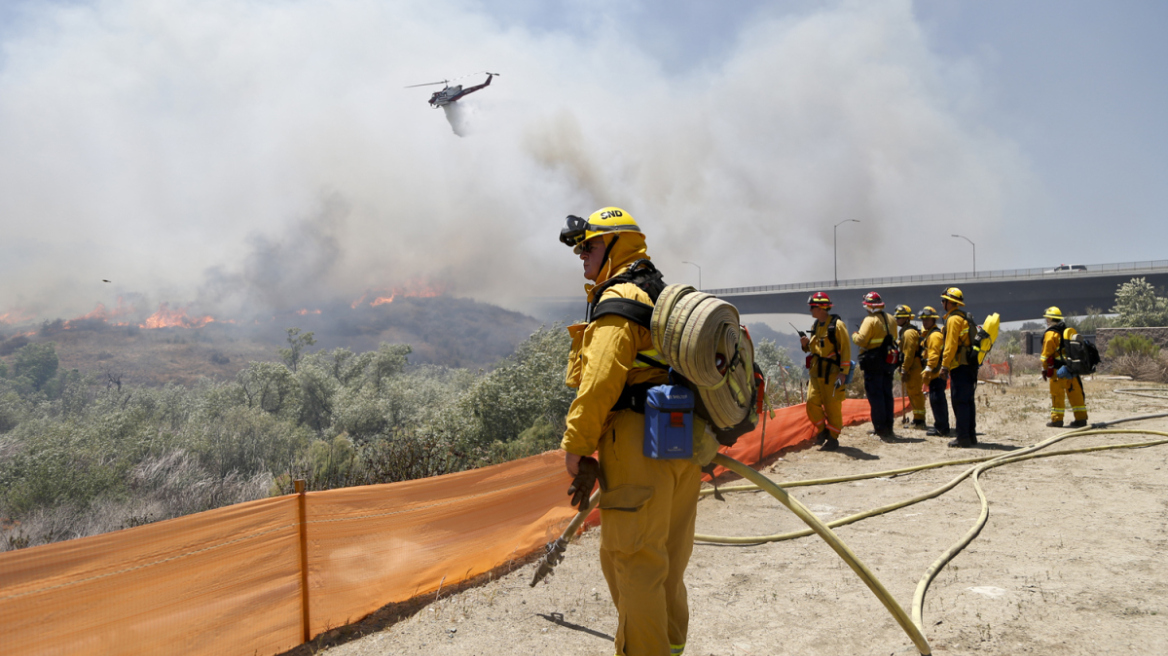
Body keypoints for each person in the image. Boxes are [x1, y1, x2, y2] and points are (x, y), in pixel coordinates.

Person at [558, 207, 701, 656]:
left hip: (637, 442)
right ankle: (670, 648)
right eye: (580, 249)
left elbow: (600, 381)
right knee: (667, 561)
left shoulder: (620, 298)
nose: (582, 255)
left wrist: (577, 445)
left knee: (634, 561)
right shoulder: (663, 295)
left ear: (616, 245)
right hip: (680, 438)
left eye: (590, 246)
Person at [799, 292, 852, 451]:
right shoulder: (815, 326)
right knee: (811, 402)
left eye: (812, 307)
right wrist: (805, 345)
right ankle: (822, 431)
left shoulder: (838, 326)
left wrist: (843, 372)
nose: (810, 310)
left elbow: (846, 350)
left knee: (832, 407)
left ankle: (833, 439)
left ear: (821, 308)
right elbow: (813, 349)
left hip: (832, 374)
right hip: (816, 372)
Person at [852, 291, 896, 438]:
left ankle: (880, 428)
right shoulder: (891, 318)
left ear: (869, 306)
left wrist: (854, 335)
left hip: (873, 363)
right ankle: (888, 427)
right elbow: (894, 338)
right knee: (887, 395)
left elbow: (861, 340)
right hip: (888, 363)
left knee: (876, 397)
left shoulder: (869, 320)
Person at [939, 287, 978, 447]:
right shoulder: (963, 317)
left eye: (943, 300)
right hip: (969, 365)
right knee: (968, 401)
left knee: (960, 402)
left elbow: (950, 346)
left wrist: (944, 366)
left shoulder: (953, 319)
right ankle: (970, 435)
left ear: (949, 302)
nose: (942, 303)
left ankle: (962, 438)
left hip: (959, 366)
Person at [1040, 306, 1088, 427]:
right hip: (1072, 368)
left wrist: (1044, 369)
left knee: (1057, 395)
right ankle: (1081, 419)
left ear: (1050, 319)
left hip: (1058, 371)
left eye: (1047, 318)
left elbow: (1045, 355)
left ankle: (1057, 420)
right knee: (1075, 393)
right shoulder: (1068, 331)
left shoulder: (1050, 334)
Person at [918, 306, 950, 437]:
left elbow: (934, 355)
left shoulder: (934, 335)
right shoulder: (930, 334)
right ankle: (940, 426)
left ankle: (942, 428)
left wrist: (928, 368)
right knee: (936, 401)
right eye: (923, 319)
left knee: (937, 401)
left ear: (933, 320)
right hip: (935, 374)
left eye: (927, 319)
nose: (924, 322)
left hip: (936, 374)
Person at [894, 305, 926, 429]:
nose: (897, 320)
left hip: (913, 367)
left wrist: (904, 369)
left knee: (915, 393)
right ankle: (917, 418)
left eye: (899, 317)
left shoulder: (908, 333)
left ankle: (919, 420)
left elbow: (908, 354)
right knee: (912, 393)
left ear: (906, 318)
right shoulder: (906, 331)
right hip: (911, 366)